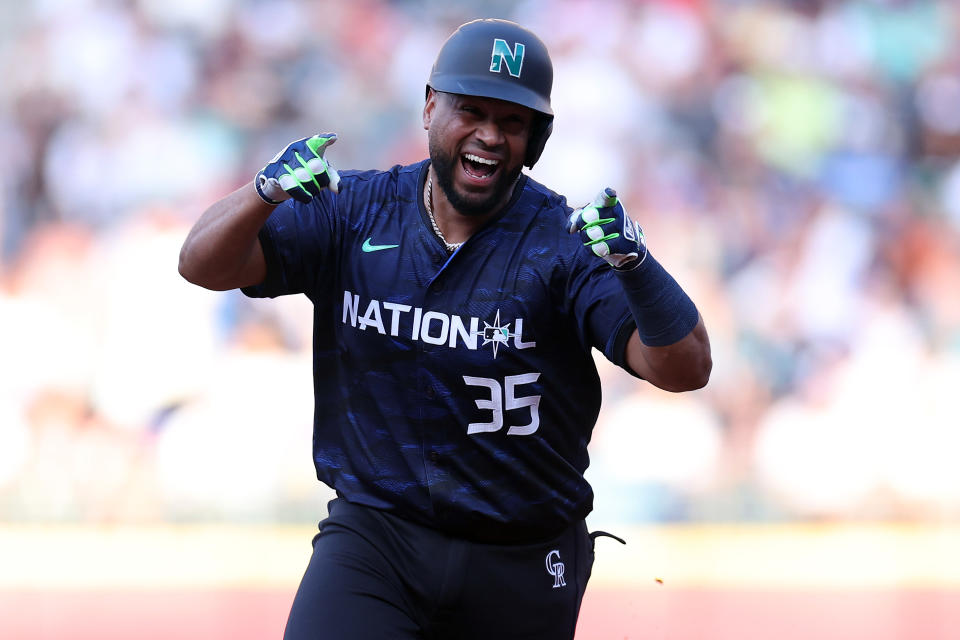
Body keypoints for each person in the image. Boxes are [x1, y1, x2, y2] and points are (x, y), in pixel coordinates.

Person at [179, 18, 711, 640]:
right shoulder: (356, 210)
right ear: (431, 107)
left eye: (512, 122)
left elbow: (684, 369)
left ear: (537, 138)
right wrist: (263, 193)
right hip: (378, 535)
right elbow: (201, 264)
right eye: (471, 111)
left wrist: (637, 265)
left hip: (521, 554)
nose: (489, 136)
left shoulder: (563, 243)